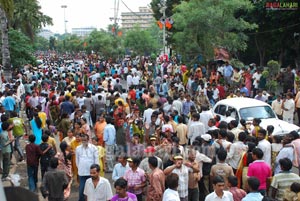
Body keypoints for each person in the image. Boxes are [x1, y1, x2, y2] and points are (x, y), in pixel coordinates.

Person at [76, 134, 99, 201]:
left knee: (92, 189)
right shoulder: (78, 148)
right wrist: (80, 168)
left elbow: (96, 160)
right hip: (82, 173)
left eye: (85, 140)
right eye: (82, 140)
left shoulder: (94, 148)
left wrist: (96, 171)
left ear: (88, 140)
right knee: (82, 190)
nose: (83, 141)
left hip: (92, 173)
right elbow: (77, 161)